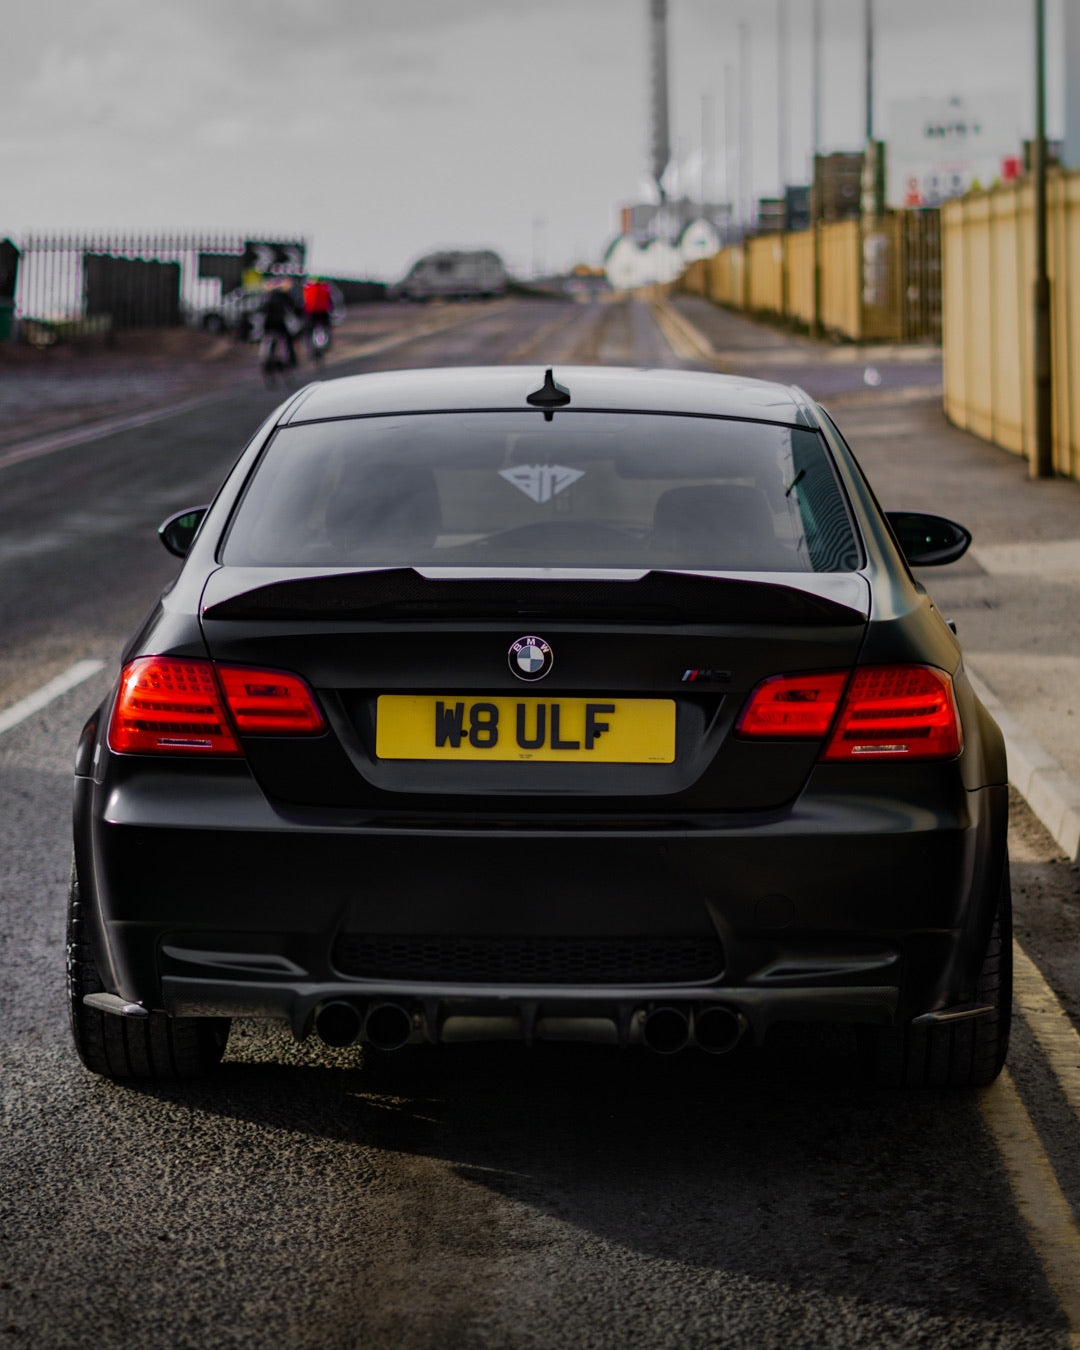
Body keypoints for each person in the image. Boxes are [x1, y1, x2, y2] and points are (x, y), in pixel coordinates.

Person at [260, 278, 301, 377]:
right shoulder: (284, 295)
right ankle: (291, 361)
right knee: (288, 340)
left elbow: (260, 309)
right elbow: (294, 306)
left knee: (268, 341)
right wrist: (299, 314)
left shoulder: (267, 296)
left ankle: (267, 363)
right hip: (280, 323)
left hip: (268, 324)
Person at [303, 275, 334, 362]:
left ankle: (310, 350)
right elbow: (330, 301)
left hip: (311, 313)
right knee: (327, 328)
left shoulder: (307, 288)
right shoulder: (325, 288)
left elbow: (303, 301)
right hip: (323, 313)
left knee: (308, 332)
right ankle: (327, 345)